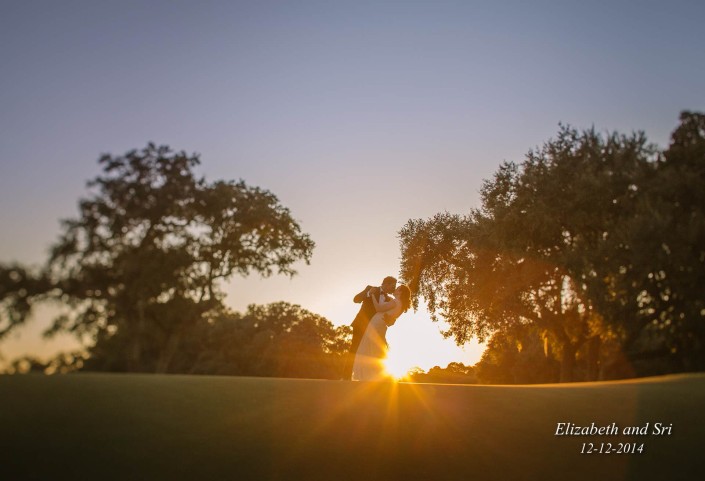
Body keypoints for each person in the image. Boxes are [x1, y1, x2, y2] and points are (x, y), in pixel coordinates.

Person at [352, 284, 411, 381]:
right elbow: (392, 318)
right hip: (380, 325)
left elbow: (379, 308)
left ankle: (371, 376)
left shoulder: (395, 302)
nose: (395, 289)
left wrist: (373, 296)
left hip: (376, 324)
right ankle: (375, 375)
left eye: (397, 288)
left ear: (401, 292)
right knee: (374, 348)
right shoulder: (401, 305)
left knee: (370, 348)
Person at [341, 276, 397, 380]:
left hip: (374, 330)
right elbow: (356, 299)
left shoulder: (389, 299)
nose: (394, 289)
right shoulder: (370, 288)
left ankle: (369, 378)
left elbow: (388, 316)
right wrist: (368, 294)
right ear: (386, 284)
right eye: (393, 286)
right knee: (354, 350)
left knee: (371, 354)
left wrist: (391, 320)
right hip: (361, 324)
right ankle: (346, 377)